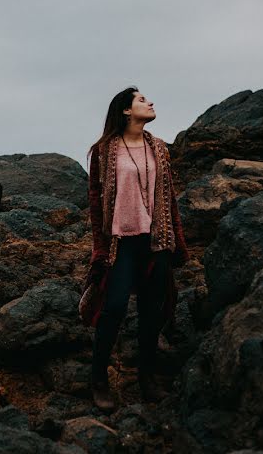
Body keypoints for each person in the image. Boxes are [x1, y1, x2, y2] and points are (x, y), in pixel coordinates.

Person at [80, 86, 188, 410]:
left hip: (156, 241)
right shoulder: (104, 150)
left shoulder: (159, 149)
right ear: (126, 111)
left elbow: (169, 199)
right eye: (142, 100)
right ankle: (98, 379)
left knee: (151, 312)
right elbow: (96, 203)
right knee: (113, 308)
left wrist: (177, 243)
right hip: (120, 241)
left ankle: (147, 379)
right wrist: (100, 250)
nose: (150, 102)